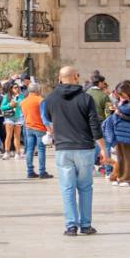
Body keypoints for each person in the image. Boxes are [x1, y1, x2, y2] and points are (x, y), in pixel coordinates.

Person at [45, 67, 104, 236]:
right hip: (85, 148)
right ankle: (85, 225)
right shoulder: (86, 98)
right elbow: (94, 125)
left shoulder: (51, 99)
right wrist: (103, 148)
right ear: (76, 77)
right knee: (85, 187)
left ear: (60, 78)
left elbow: (49, 118)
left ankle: (71, 226)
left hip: (63, 148)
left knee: (67, 188)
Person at [102, 84, 130, 187]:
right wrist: (114, 112)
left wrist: (119, 113)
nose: (121, 96)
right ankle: (120, 176)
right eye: (119, 94)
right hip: (118, 131)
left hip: (128, 132)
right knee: (120, 156)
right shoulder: (119, 102)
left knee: (129, 156)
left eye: (122, 94)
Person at [20, 80, 49, 178]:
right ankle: (42, 172)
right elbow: (43, 116)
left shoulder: (23, 102)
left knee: (29, 149)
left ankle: (30, 171)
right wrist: (49, 128)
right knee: (41, 149)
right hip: (40, 127)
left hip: (28, 127)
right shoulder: (40, 100)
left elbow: (23, 115)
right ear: (38, 90)